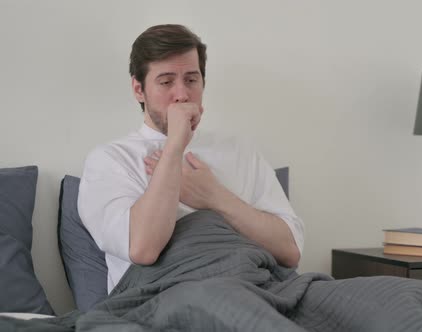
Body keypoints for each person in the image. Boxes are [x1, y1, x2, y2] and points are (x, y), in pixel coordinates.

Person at [78, 24, 304, 294]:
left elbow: (290, 251)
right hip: (166, 296)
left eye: (191, 80)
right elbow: (142, 248)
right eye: (166, 81)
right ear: (139, 89)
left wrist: (214, 196)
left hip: (256, 287)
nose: (182, 94)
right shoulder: (109, 160)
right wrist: (175, 147)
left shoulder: (239, 150)